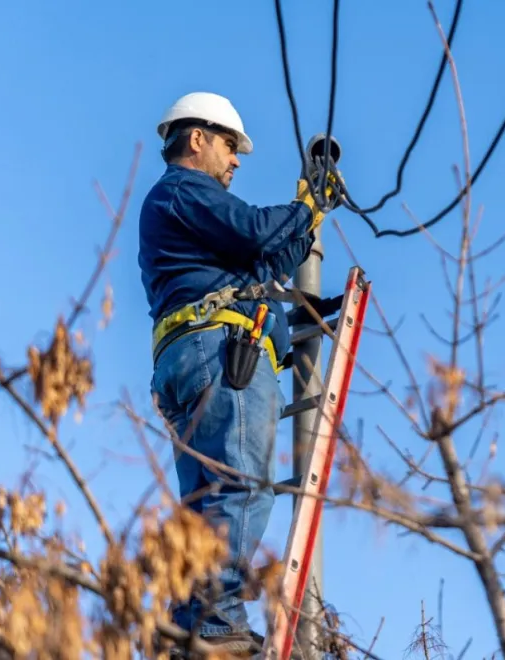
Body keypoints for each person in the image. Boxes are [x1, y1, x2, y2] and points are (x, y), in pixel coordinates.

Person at [138, 91, 339, 656]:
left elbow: (265, 259)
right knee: (240, 486)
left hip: (190, 356)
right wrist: (304, 207)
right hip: (222, 353)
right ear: (196, 138)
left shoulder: (183, 214)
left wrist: (308, 217)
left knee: (206, 503)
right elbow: (255, 231)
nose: (235, 161)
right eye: (230, 146)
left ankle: (190, 624)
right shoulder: (183, 189)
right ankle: (216, 619)